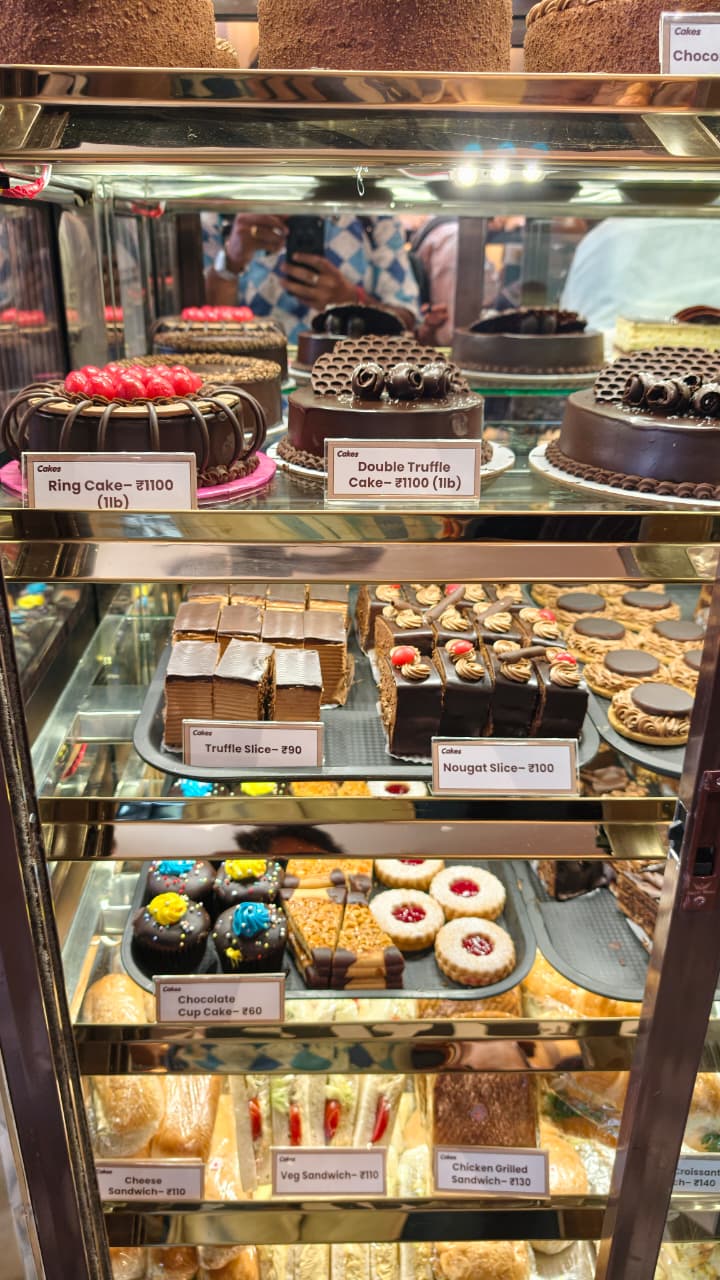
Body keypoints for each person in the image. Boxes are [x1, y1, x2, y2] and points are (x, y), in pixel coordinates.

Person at [204, 213, 420, 342]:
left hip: (349, 380)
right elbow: (199, 330)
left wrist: (352, 301)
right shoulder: (225, 214)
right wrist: (230, 261)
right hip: (249, 382)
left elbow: (407, 321)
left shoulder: (373, 216)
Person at [561, 216, 720, 333]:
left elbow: (575, 318)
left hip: (612, 350)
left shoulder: (607, 235)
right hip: (616, 349)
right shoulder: (608, 235)